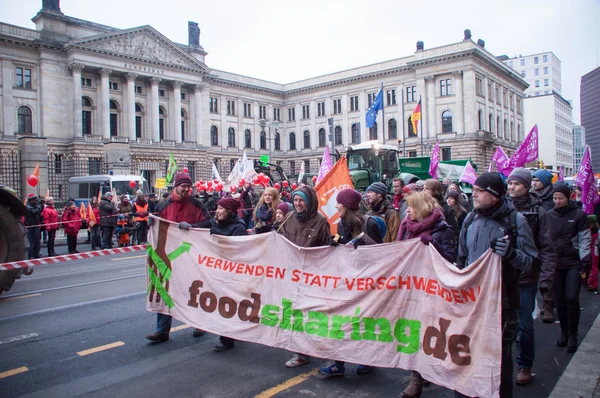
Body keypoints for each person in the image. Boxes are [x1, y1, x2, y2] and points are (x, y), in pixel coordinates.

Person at [455, 172, 537, 398]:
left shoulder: (516, 221)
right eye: (475, 190)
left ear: (495, 195)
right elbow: (461, 259)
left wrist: (511, 254)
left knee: (499, 358)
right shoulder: (470, 219)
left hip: (503, 303)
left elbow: (531, 262)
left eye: (480, 191)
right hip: (472, 301)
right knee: (467, 353)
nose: (475, 195)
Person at [319, 188, 383, 378]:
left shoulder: (368, 223)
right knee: (341, 321)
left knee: (363, 321)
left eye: (339, 203)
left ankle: (368, 359)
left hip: (366, 280)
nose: (336, 206)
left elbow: (382, 252)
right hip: (347, 278)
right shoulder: (340, 223)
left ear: (347, 205)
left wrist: (363, 242)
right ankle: (338, 363)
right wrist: (335, 241)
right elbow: (342, 239)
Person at [398, 191, 457, 398]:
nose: (408, 211)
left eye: (412, 207)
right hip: (411, 286)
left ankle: (426, 373)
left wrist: (433, 243)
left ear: (422, 208)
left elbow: (450, 259)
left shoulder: (443, 229)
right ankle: (418, 376)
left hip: (431, 289)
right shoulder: (406, 226)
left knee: (430, 331)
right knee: (415, 331)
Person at [146, 172, 212, 343]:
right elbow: (159, 224)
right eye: (183, 186)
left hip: (192, 257)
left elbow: (208, 224)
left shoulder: (198, 205)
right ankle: (162, 330)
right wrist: (152, 223)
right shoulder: (164, 205)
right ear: (176, 186)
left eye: (189, 187)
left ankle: (200, 324)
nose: (186, 189)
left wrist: (192, 227)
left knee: (195, 291)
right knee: (165, 290)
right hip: (170, 257)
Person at [506, 168, 557, 385]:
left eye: (515, 184)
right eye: (509, 184)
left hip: (527, 276)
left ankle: (525, 364)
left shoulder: (540, 212)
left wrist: (545, 280)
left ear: (526, 186)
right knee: (503, 323)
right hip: (503, 274)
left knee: (525, 323)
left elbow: (547, 248)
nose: (511, 188)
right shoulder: (502, 207)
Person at [279, 186, 330, 367]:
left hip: (311, 275)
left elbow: (327, 251)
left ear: (309, 202)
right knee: (294, 312)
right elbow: (280, 240)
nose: (298, 204)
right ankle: (300, 352)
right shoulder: (289, 218)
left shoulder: (320, 221)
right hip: (292, 274)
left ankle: (313, 347)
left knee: (310, 313)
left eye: (301, 200)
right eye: (295, 201)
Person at [545, 182, 591, 353]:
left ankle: (573, 333)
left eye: (560, 198)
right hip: (556, 264)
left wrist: (585, 260)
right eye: (555, 198)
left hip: (573, 263)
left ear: (568, 197)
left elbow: (585, 239)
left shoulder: (579, 215)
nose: (557, 201)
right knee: (560, 301)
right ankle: (564, 332)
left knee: (572, 298)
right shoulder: (549, 215)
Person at [209, 197, 248, 351]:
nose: (217, 211)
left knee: (228, 304)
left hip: (233, 273)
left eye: (220, 208)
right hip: (220, 270)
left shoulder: (238, 227)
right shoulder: (218, 223)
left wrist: (216, 230)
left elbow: (234, 248)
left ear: (229, 211)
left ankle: (227, 339)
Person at [24, 194, 43, 259]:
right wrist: (38, 205)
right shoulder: (28, 206)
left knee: (37, 241)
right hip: (30, 226)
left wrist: (41, 205)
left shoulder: (33, 205)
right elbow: (36, 211)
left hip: (35, 225)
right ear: (31, 200)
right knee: (31, 242)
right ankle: (30, 255)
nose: (36, 201)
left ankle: (36, 253)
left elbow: (40, 211)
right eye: (35, 200)